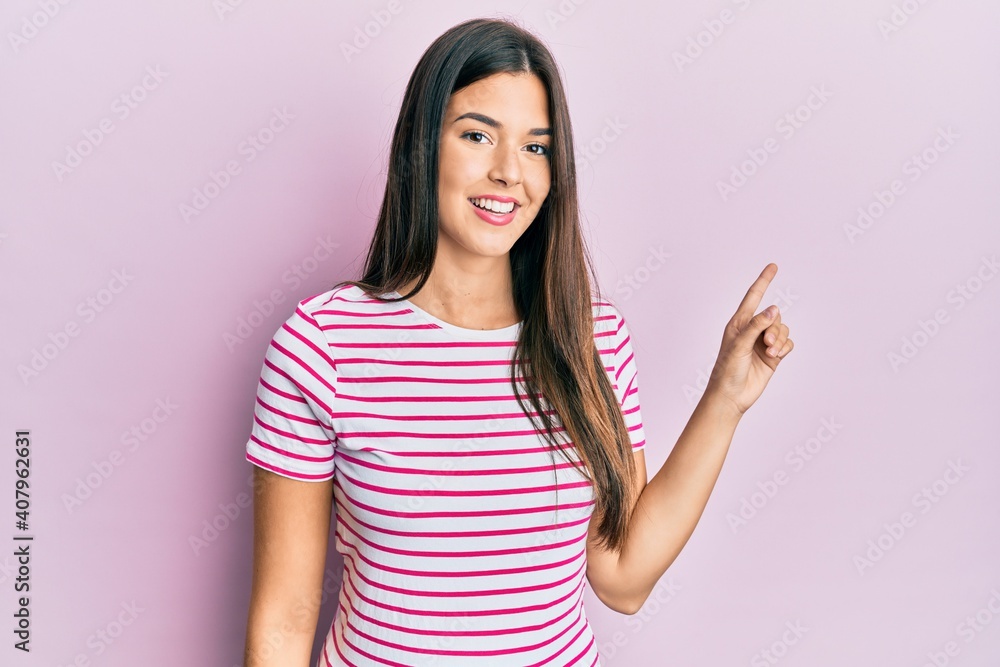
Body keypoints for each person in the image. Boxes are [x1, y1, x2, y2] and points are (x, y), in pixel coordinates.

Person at [242, 16, 793, 667]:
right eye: (478, 135)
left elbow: (622, 576)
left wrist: (725, 399)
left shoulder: (593, 339)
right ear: (422, 147)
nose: (510, 172)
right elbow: (286, 616)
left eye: (536, 147)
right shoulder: (321, 346)